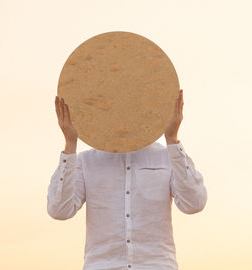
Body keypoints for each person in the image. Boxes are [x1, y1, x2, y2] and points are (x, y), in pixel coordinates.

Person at [47, 89, 207, 270]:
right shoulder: (86, 161)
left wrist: (172, 140)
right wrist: (70, 145)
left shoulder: (167, 157)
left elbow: (194, 204)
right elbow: (59, 210)